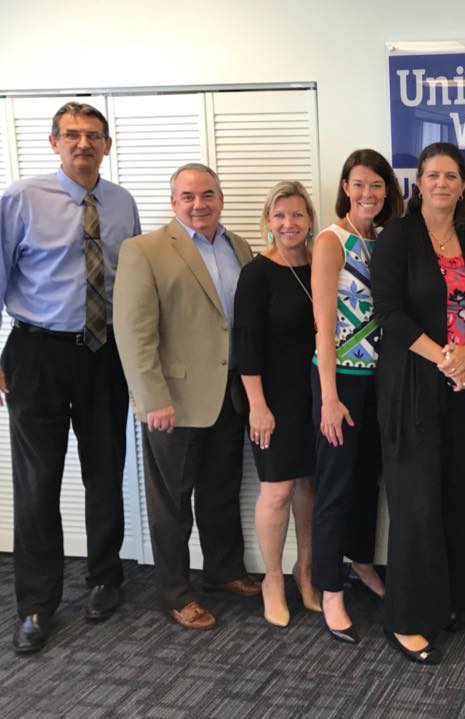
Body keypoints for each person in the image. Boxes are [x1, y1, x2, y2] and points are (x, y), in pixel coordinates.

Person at [0, 102, 141, 654]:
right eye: (72, 135)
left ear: (108, 145)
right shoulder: (20, 199)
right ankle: (37, 603)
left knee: (106, 472)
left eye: (93, 136)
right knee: (37, 485)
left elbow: (132, 283)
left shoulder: (123, 203)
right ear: (54, 141)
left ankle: (106, 577)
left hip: (105, 355)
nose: (83, 144)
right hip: (38, 353)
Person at [114, 163, 260, 631]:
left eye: (208, 195)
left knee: (220, 493)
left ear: (221, 198)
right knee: (171, 504)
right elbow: (133, 332)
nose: (199, 204)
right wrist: (151, 396)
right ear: (173, 202)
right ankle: (176, 593)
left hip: (230, 394)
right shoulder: (145, 250)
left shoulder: (239, 246)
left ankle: (223, 571)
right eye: (188, 197)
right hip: (172, 402)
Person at [370, 142, 465, 664]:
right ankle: (406, 620)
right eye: (432, 175)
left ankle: (448, 601)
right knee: (416, 504)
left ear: (463, 185)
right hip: (411, 388)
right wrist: (444, 357)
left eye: (451, 175)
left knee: (458, 497)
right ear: (417, 182)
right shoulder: (396, 237)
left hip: (463, 385)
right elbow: (389, 315)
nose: (441, 183)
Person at [310, 149, 403, 643]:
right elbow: (323, 326)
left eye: (378, 186)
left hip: (379, 380)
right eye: (360, 184)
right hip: (340, 380)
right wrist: (328, 397)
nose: (369, 194)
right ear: (346, 186)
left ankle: (363, 563)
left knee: (370, 480)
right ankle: (330, 588)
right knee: (337, 486)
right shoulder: (332, 241)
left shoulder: (383, 240)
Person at [233, 180, 320, 627]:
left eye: (298, 214)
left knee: (308, 485)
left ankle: (305, 572)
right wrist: (257, 406)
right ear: (268, 222)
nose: (289, 223)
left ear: (310, 221)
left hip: (315, 394)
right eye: (280, 215)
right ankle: (271, 579)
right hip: (271, 397)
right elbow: (244, 345)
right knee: (278, 489)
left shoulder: (320, 264)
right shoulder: (257, 272)